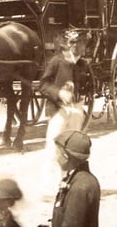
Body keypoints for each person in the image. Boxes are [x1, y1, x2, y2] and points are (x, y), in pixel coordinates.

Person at [40, 31, 90, 195]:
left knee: (73, 148)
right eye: (78, 42)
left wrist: (83, 98)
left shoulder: (83, 64)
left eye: (82, 42)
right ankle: (49, 186)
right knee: (54, 145)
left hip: (77, 109)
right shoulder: (56, 61)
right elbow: (44, 85)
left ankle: (70, 183)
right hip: (59, 111)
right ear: (70, 44)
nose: (82, 46)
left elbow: (90, 85)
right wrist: (59, 93)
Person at [46, 130, 100, 227]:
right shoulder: (77, 178)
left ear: (65, 156)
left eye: (57, 152)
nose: (55, 157)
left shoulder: (80, 187)